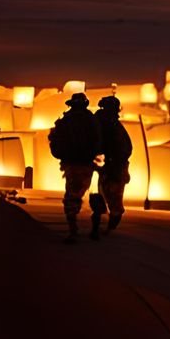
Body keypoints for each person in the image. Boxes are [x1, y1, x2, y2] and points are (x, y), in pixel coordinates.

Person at [48, 93, 102, 243]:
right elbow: (98, 140)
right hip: (84, 164)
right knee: (91, 195)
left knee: (73, 197)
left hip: (74, 164)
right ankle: (92, 228)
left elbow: (55, 141)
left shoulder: (66, 120)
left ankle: (76, 230)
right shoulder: (90, 120)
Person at [92, 95, 133, 240]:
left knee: (103, 197)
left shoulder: (103, 123)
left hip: (109, 166)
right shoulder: (109, 125)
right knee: (111, 199)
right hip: (111, 166)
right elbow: (124, 148)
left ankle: (102, 226)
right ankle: (105, 226)